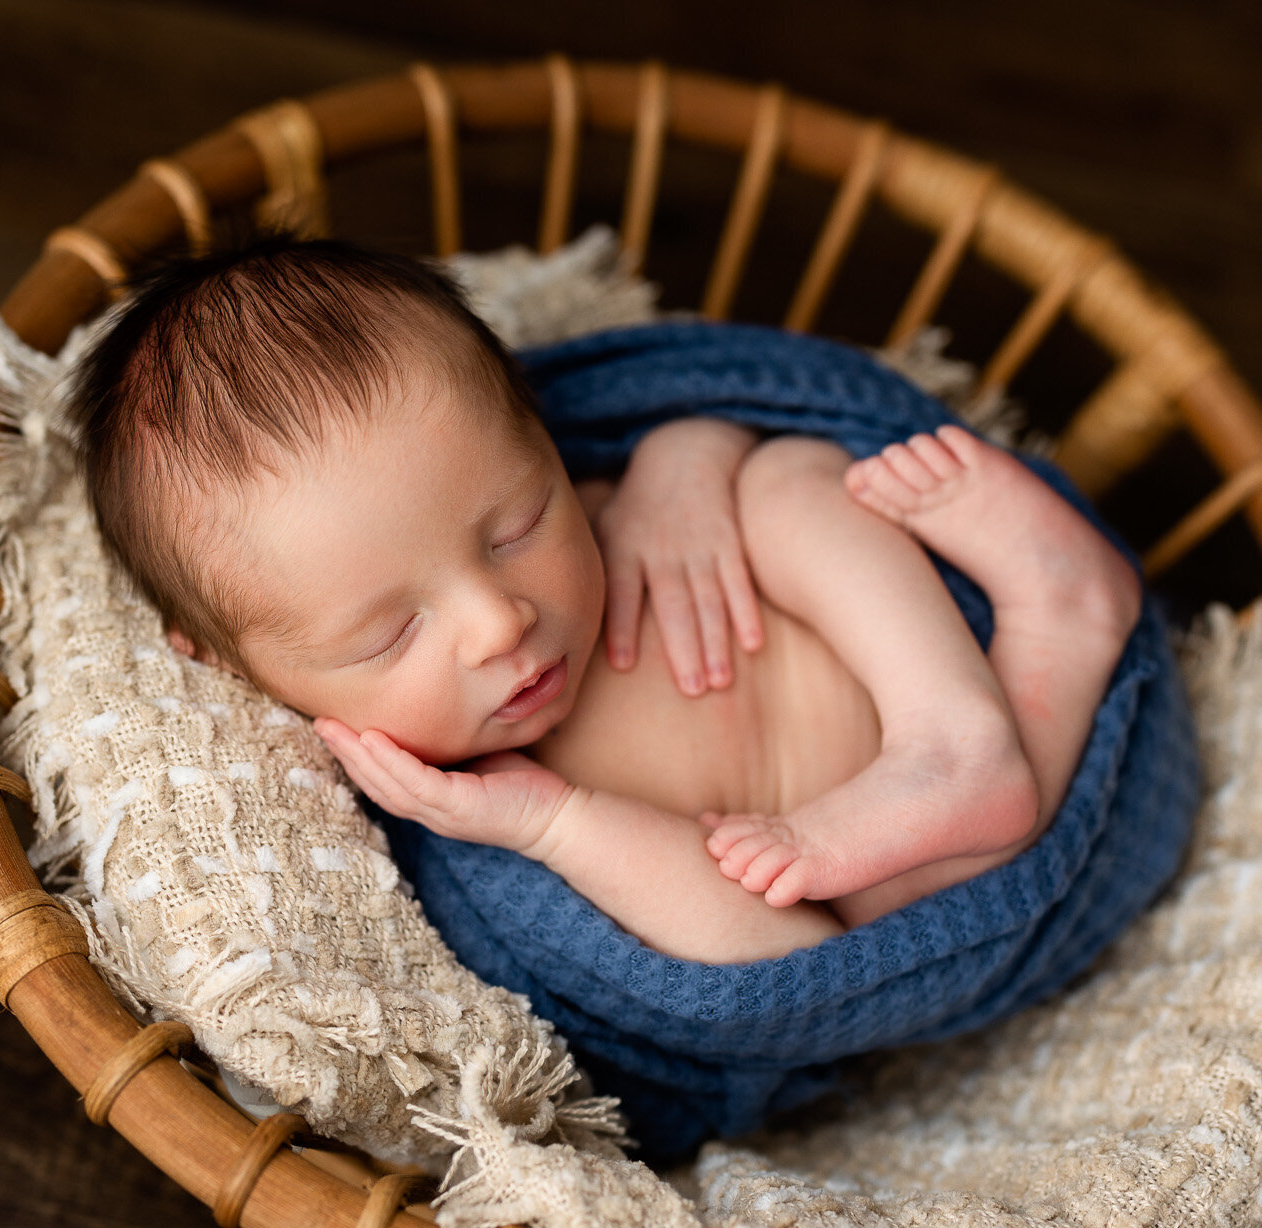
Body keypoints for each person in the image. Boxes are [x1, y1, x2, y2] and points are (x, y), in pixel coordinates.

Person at [68, 232, 1140, 965]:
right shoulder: (482, 821)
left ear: (534, 431)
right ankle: (1061, 636)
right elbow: (782, 967)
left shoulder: (605, 498)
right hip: (962, 848)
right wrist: (553, 822)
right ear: (231, 663)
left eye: (514, 527)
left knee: (783, 483)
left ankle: (961, 714)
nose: (500, 619)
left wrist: (684, 463)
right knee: (887, 903)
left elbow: (712, 398)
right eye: (394, 631)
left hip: (931, 655)